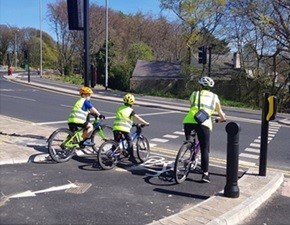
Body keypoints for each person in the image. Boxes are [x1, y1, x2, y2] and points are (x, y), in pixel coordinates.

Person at [183, 76, 226, 183]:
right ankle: (205, 174)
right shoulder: (214, 97)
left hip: (188, 121)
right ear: (211, 87)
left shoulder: (194, 94)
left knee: (190, 140)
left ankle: (189, 149)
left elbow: (192, 107)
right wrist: (221, 119)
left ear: (200, 85)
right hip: (204, 123)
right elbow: (221, 114)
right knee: (204, 149)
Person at [113, 93, 149, 164]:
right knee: (130, 141)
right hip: (124, 129)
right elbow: (137, 118)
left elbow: (123, 119)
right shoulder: (130, 110)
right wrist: (145, 123)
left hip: (116, 127)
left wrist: (132, 124)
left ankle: (113, 154)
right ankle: (132, 157)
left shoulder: (120, 108)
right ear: (132, 103)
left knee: (116, 142)